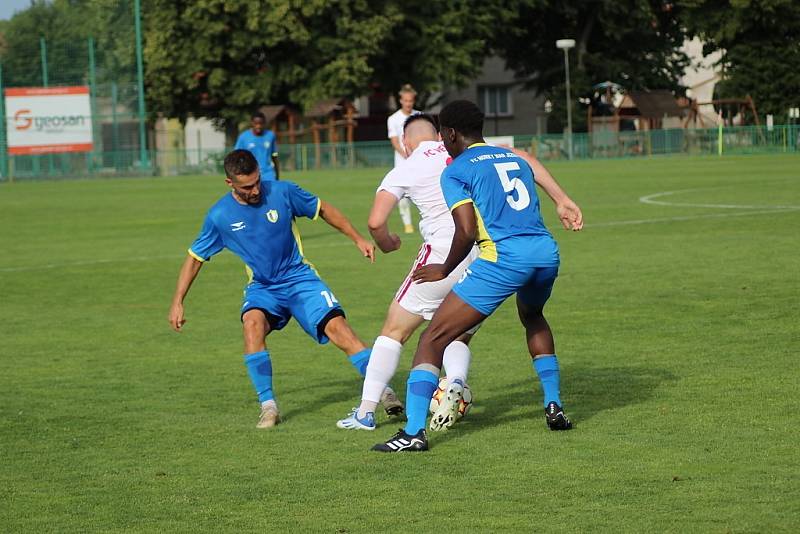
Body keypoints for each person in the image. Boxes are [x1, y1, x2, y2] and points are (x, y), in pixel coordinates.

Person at [372, 100, 584, 452]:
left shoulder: (456, 170)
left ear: (451, 133)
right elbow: (531, 163)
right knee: (533, 316)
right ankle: (554, 406)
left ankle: (412, 432)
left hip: (504, 259)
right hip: (545, 253)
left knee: (432, 339)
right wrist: (561, 199)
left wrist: (444, 268)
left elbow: (466, 230)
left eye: (443, 135)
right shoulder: (511, 156)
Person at [168, 149, 402, 428]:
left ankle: (383, 390)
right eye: (247, 187)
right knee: (251, 324)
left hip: (299, 279)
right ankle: (268, 407)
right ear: (229, 183)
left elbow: (323, 209)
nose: (255, 190)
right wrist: (178, 300)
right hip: (263, 287)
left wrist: (357, 239)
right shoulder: (219, 216)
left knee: (339, 329)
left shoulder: (282, 191)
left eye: (257, 182)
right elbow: (195, 258)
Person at [336, 113, 479, 431]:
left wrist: (387, 243)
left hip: (441, 255)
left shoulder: (406, 167)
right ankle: (454, 381)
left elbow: (375, 222)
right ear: (441, 135)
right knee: (455, 330)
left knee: (394, 331)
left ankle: (366, 412)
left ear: (404, 141)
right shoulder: (465, 153)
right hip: (482, 254)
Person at [387, 84, 420, 234]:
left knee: (421, 190)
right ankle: (407, 224)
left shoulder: (419, 116)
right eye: (406, 101)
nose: (408, 104)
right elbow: (394, 140)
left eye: (411, 101)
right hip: (402, 162)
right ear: (401, 100)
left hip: (419, 160)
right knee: (403, 195)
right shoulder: (393, 119)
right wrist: (405, 154)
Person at [235, 111, 279, 181]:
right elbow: (237, 156)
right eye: (256, 123)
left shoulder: (270, 135)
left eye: (261, 123)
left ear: (264, 123)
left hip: (268, 173)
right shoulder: (243, 137)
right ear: (252, 123)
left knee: (272, 191)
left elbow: (274, 154)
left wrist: (277, 173)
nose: (258, 126)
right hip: (250, 173)